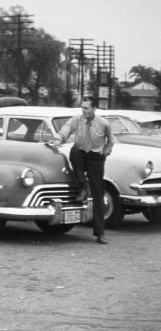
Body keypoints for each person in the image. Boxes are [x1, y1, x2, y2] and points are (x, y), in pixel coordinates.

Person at [48, 97, 116, 244]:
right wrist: (58, 140)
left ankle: (99, 233)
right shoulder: (77, 119)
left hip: (96, 157)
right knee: (75, 151)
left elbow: (111, 141)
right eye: (82, 107)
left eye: (86, 108)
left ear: (94, 109)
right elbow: (65, 131)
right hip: (81, 154)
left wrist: (105, 153)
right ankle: (82, 185)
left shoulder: (103, 123)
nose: (83, 110)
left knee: (98, 193)